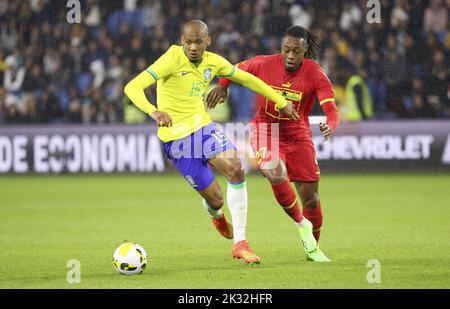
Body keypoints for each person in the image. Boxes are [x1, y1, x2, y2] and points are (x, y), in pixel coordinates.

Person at [124, 20, 301, 265]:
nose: (193, 47)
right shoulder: (172, 58)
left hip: (203, 129)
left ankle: (241, 243)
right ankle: (215, 213)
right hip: (176, 140)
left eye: (198, 42)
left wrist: (281, 101)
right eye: (188, 42)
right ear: (181, 41)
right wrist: (154, 112)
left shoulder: (214, 61)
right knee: (215, 199)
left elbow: (248, 79)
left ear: (208, 41)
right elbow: (132, 86)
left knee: (236, 169)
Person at [207, 26, 340, 262]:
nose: (290, 55)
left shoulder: (315, 73)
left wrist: (331, 123)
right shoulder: (264, 64)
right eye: (286, 49)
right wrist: (222, 86)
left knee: (310, 198)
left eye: (296, 51)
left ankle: (312, 246)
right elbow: (231, 70)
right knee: (274, 170)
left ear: (305, 49)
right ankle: (302, 226)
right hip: (266, 129)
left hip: (298, 134)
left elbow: (331, 110)